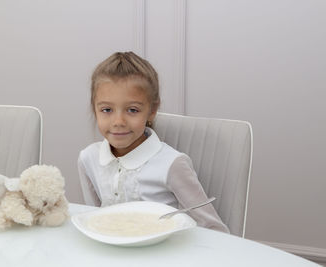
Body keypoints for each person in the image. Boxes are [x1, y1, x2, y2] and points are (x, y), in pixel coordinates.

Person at [77, 51, 229, 233]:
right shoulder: (88, 158)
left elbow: (215, 229)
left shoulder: (173, 164)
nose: (118, 121)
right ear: (95, 109)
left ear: (152, 110)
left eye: (132, 110)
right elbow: (94, 217)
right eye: (107, 109)